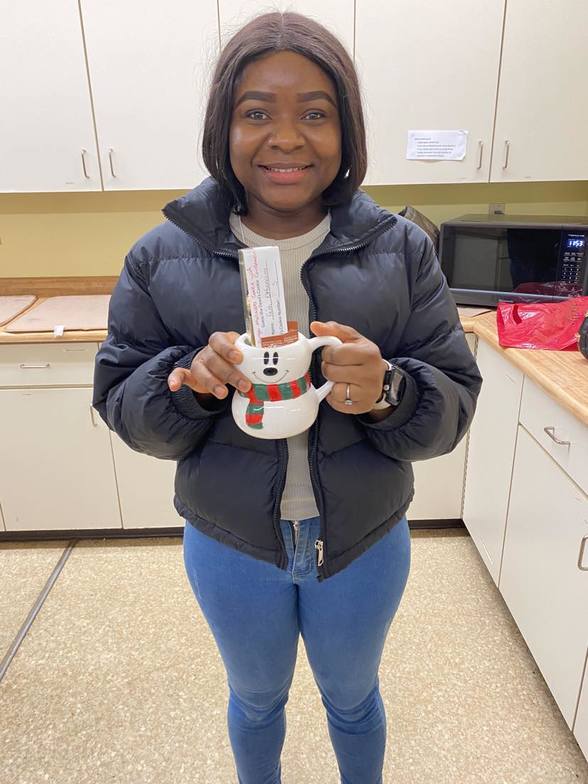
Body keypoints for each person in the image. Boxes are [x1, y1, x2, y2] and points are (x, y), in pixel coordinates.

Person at [92, 11, 482, 784]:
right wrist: (190, 386)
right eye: (256, 112)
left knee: (352, 698)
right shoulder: (162, 254)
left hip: (363, 540)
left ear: (346, 129)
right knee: (257, 699)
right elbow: (121, 401)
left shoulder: (401, 250)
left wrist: (390, 392)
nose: (287, 137)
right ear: (223, 127)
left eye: (314, 112)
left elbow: (454, 405)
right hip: (232, 541)